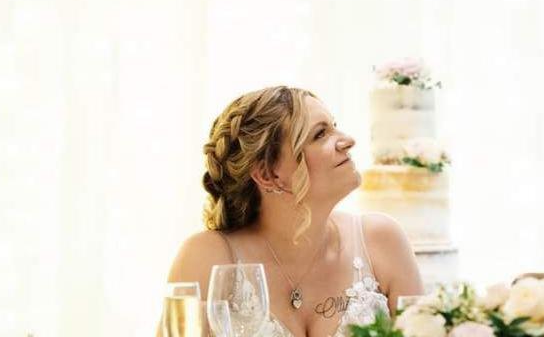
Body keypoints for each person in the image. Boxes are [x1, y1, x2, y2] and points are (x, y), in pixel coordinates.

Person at [165, 86, 422, 336]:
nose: (347, 141)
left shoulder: (382, 241)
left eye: (334, 126)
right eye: (320, 134)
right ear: (268, 174)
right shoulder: (207, 257)